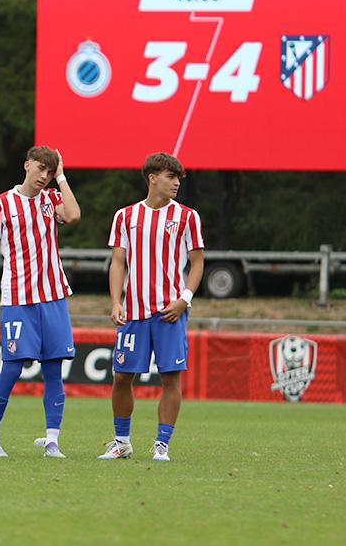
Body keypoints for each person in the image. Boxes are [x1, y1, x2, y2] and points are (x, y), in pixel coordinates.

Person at [0, 146, 81, 458]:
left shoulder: (51, 199)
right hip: (18, 299)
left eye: (50, 172)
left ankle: (52, 441)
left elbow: (73, 215)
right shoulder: (1, 204)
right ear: (27, 166)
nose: (44, 177)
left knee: (53, 369)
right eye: (41, 169)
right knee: (12, 367)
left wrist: (62, 177)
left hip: (53, 296)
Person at [99, 152, 204, 462]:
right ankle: (121, 442)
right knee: (121, 376)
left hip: (170, 311)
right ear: (152, 178)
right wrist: (116, 301)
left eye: (178, 178)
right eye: (171, 177)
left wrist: (184, 298)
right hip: (133, 312)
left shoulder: (187, 217)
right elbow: (118, 262)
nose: (176, 183)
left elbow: (197, 264)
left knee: (170, 377)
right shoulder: (126, 216)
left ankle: (162, 444)